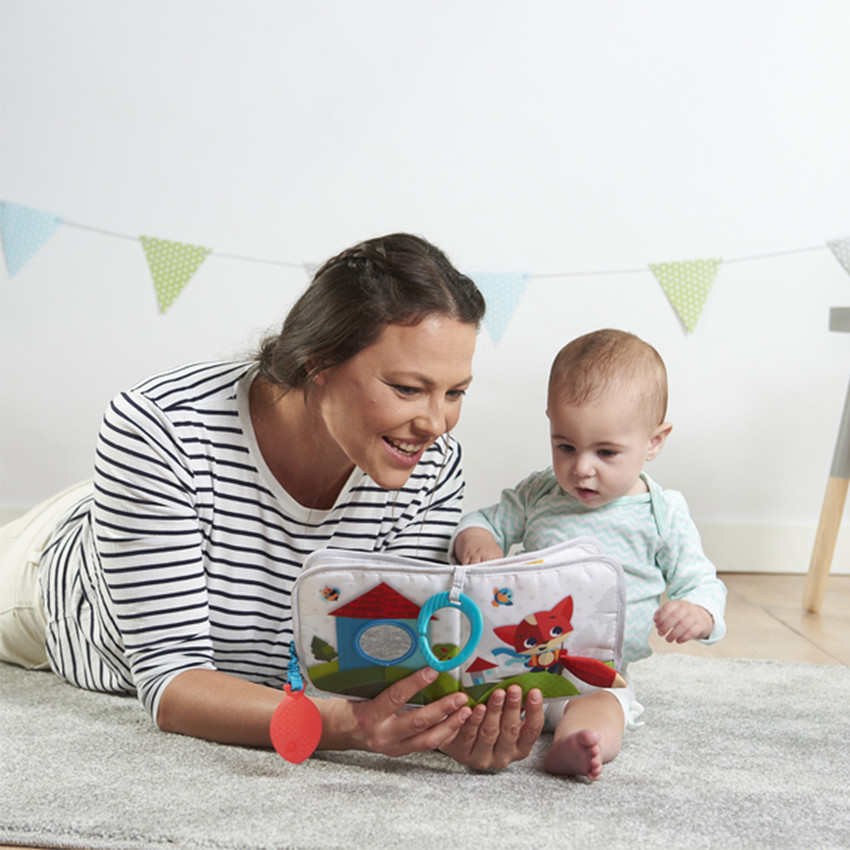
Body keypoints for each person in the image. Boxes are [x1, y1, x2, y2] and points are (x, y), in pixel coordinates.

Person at [0, 233, 544, 770]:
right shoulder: (157, 427)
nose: (436, 423)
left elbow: (388, 663)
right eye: (407, 389)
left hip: (172, 501)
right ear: (318, 361)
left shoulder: (433, 464)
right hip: (50, 571)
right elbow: (172, 682)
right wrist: (347, 727)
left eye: (455, 392)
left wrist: (445, 724)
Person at [452, 328, 727, 780]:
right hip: (515, 667)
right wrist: (480, 541)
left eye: (606, 452)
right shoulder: (540, 492)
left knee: (604, 712)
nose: (581, 467)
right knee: (471, 703)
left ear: (654, 441)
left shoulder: (662, 513)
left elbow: (700, 581)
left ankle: (576, 744)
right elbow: (483, 520)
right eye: (565, 446)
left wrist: (699, 612)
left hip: (595, 678)